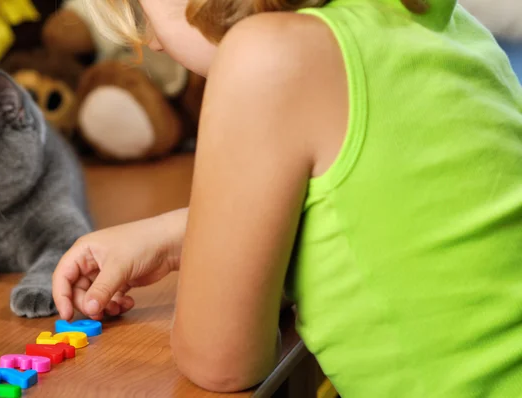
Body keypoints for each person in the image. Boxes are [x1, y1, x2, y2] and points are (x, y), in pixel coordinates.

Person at [52, 0, 522, 396]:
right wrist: (181, 233)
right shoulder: (447, 25)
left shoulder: (267, 55)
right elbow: (398, 212)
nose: (151, 40)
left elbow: (219, 361)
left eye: (142, 11)